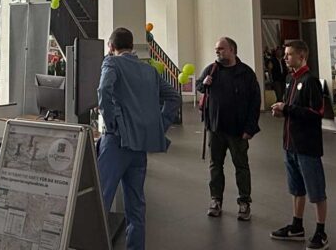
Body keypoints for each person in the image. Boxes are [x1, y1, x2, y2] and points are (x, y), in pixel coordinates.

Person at [97, 27, 181, 250]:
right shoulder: (149, 70)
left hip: (117, 143)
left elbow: (104, 90)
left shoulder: (111, 63)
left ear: (111, 47)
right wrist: (158, 126)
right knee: (136, 206)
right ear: (132, 46)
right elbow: (174, 96)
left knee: (101, 200)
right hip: (140, 146)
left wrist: (112, 123)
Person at [270, 39, 329, 250]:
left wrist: (287, 109)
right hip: (290, 145)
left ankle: (321, 231)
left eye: (289, 54)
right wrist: (282, 112)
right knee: (296, 188)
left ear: (301, 56)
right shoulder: (289, 80)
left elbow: (317, 113)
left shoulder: (311, 81)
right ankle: (297, 226)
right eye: (285, 54)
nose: (285, 58)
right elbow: (291, 108)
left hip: (307, 147)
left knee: (316, 190)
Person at [196, 37, 261, 221]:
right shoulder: (212, 69)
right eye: (216, 49)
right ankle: (215, 200)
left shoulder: (246, 73)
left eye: (221, 49)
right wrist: (204, 83)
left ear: (232, 50)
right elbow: (199, 86)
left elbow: (255, 102)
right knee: (215, 165)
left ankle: (244, 202)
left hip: (238, 130)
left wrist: (250, 127)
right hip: (215, 128)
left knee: (241, 166)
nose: (217, 52)